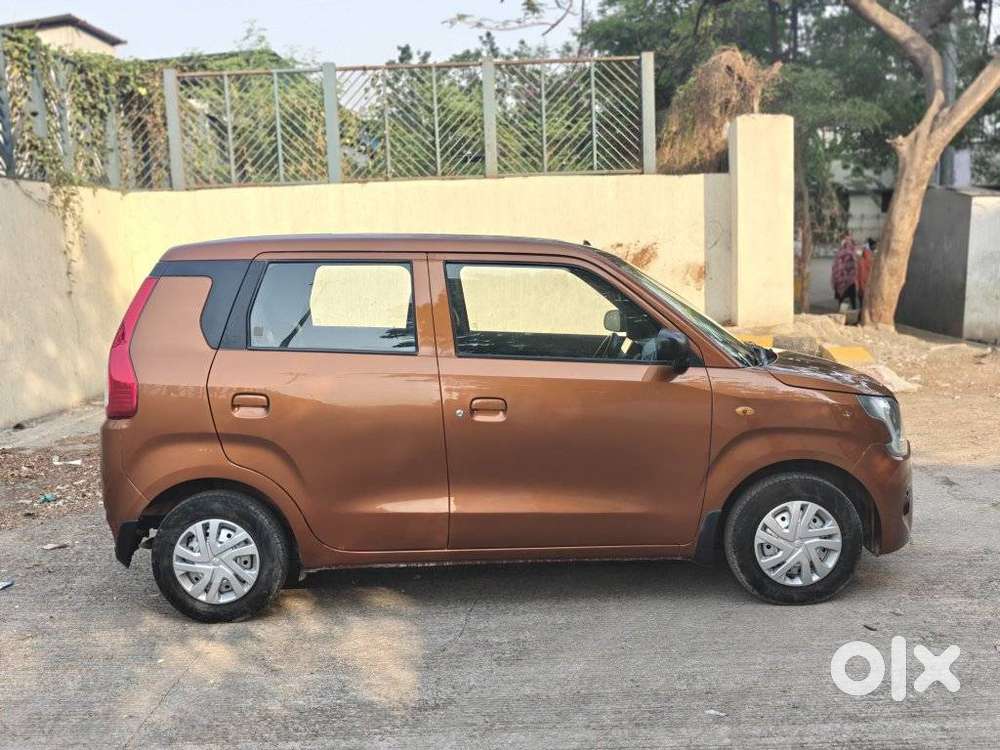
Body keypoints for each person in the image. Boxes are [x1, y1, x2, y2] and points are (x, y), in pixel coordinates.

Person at [831, 234, 859, 311]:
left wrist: (837, 278)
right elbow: (854, 267)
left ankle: (841, 311)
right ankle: (853, 311)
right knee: (852, 299)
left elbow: (836, 268)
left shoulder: (839, 253)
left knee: (841, 299)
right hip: (850, 280)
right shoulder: (852, 253)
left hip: (840, 280)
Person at [857, 238, 876, 309]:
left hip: (863, 285)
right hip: (867, 284)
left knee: (862, 302)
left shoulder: (861, 259)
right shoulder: (870, 258)